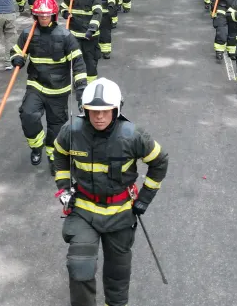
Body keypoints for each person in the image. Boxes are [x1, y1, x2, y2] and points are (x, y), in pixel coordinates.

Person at [53, 78, 169, 306]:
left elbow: (160, 161)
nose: (99, 116)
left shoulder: (134, 136)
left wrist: (144, 199)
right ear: (83, 110)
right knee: (79, 266)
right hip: (84, 210)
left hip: (120, 211)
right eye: (93, 111)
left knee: (118, 270)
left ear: (117, 109)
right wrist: (64, 189)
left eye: (105, 111)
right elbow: (58, 154)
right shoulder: (71, 131)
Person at [10, 0, 87, 173]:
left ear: (53, 15)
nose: (43, 18)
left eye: (47, 15)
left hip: (59, 90)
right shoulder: (27, 34)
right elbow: (16, 51)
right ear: (35, 16)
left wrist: (81, 90)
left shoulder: (66, 36)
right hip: (36, 85)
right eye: (40, 15)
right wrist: (17, 59)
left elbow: (78, 64)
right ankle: (36, 147)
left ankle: (54, 158)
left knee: (56, 128)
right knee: (28, 115)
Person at [62, 0, 103, 83]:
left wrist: (92, 30)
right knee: (76, 60)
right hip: (74, 34)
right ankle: (79, 82)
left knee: (90, 60)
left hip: (89, 36)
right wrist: (65, 13)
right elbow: (63, 7)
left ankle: (90, 83)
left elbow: (97, 14)